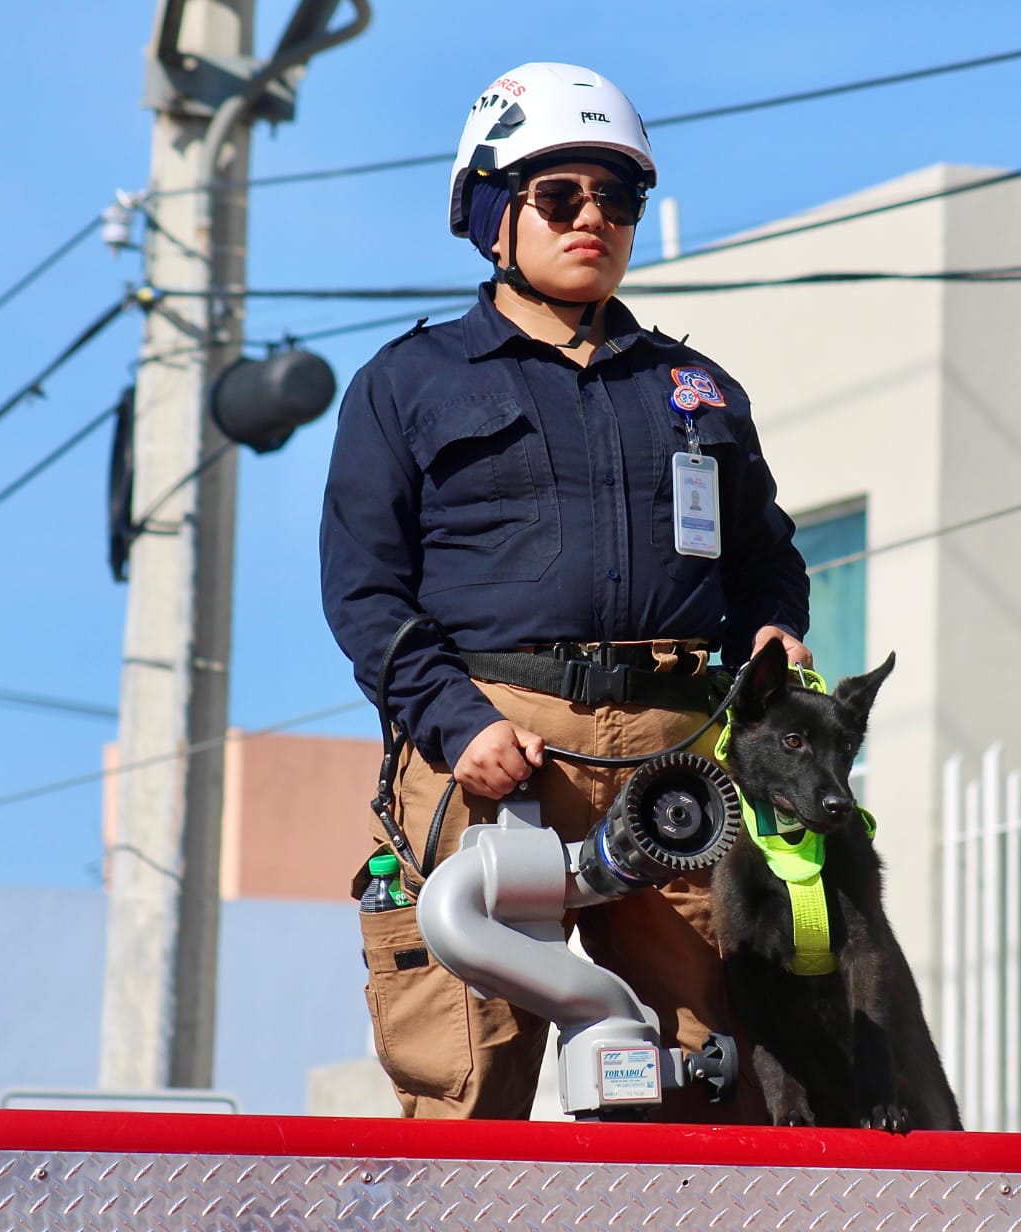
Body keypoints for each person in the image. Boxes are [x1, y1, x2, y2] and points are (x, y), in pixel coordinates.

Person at [319, 61, 811, 1122]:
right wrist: (456, 724)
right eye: (559, 194)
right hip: (493, 746)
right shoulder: (407, 384)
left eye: (616, 196)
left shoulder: (696, 392)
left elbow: (765, 559)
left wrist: (776, 630)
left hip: (673, 757)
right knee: (468, 1081)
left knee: (708, 1072)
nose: (592, 218)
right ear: (492, 211)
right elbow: (364, 592)